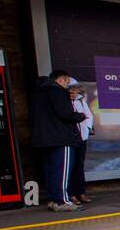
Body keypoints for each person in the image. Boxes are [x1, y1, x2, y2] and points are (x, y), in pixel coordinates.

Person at [31, 69, 86, 211]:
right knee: (62, 171)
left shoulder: (38, 93)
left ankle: (53, 199)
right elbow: (65, 114)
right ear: (60, 80)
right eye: (67, 82)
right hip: (61, 137)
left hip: (44, 139)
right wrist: (79, 116)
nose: (67, 85)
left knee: (51, 170)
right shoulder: (57, 92)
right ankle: (62, 201)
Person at [68, 80, 93, 205]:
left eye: (74, 89)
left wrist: (87, 129)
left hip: (82, 137)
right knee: (70, 167)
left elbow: (88, 116)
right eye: (70, 89)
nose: (73, 92)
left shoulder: (81, 101)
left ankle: (81, 192)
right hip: (70, 138)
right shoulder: (64, 102)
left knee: (79, 166)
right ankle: (71, 194)